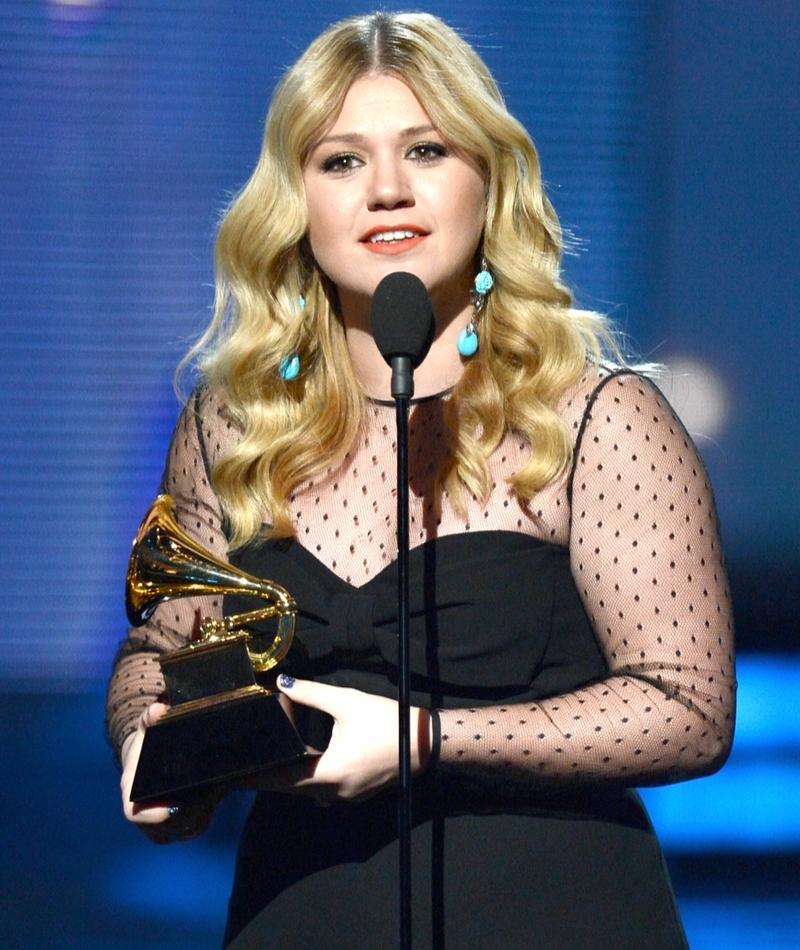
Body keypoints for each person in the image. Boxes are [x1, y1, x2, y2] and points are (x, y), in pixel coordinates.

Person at [106, 11, 736, 949]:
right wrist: (146, 748)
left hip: (552, 915)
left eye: (427, 150)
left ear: (488, 182)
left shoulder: (597, 418)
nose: (388, 191)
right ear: (297, 201)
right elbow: (157, 646)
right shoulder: (234, 424)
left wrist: (423, 741)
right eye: (343, 161)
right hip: (298, 914)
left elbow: (689, 708)